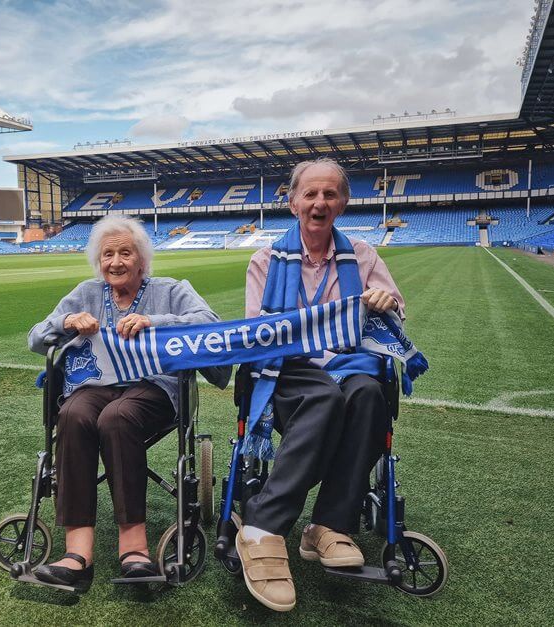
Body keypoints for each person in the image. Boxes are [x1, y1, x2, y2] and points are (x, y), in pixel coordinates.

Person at [235, 158, 405, 612]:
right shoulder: (266, 260)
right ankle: (263, 526)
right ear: (293, 203)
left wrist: (386, 301)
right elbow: (259, 333)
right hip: (289, 370)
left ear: (343, 203)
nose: (319, 202)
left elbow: (395, 311)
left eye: (330, 194)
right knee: (325, 396)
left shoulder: (363, 256)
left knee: (369, 394)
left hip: (349, 364)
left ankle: (327, 525)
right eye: (310, 193)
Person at [27, 214, 230, 591]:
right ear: (98, 261)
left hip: (154, 386)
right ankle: (77, 553)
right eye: (108, 254)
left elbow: (209, 323)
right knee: (72, 413)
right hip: (95, 386)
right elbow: (37, 338)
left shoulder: (171, 289)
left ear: (142, 260)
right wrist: (68, 321)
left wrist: (155, 322)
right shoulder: (86, 292)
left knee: (117, 417)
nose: (116, 262)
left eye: (125, 253)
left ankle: (134, 547)